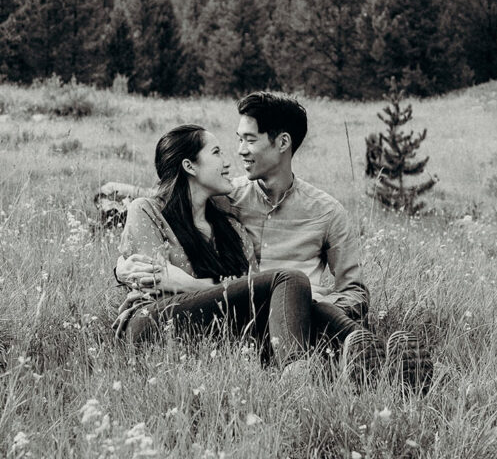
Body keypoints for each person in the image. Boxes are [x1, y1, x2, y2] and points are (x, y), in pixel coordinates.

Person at [109, 92, 431, 389]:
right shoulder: (226, 196)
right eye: (229, 144)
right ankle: (309, 368)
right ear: (191, 166)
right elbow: (163, 198)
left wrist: (306, 302)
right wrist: (121, 269)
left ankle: (382, 366)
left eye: (249, 140)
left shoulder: (323, 212)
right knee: (290, 280)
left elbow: (354, 291)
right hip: (172, 319)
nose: (237, 153)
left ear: (282, 143)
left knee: (298, 294)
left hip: (265, 322)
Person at [114, 125, 313, 370]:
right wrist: (218, 288)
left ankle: (361, 344)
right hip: (153, 322)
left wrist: (187, 283)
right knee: (290, 280)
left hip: (219, 329)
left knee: (308, 306)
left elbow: (249, 296)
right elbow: (155, 281)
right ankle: (296, 371)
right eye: (217, 152)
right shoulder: (147, 210)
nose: (228, 163)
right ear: (190, 166)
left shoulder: (231, 227)